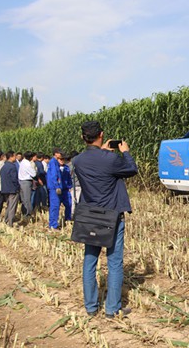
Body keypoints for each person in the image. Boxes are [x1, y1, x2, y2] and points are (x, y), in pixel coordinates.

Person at [73, 121, 138, 318]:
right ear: (101, 134)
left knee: (89, 260)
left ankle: (91, 307)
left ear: (83, 137)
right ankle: (112, 309)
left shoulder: (77, 161)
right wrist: (124, 151)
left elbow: (95, 165)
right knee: (115, 262)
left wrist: (103, 151)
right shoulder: (110, 159)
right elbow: (131, 169)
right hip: (111, 215)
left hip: (89, 215)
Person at [47, 152, 72, 230]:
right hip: (56, 190)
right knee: (55, 207)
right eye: (60, 159)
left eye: (63, 159)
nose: (62, 160)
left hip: (65, 189)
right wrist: (56, 187)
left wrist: (69, 186)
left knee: (69, 204)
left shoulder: (66, 168)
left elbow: (69, 178)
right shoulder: (54, 166)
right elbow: (53, 177)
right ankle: (53, 224)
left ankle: (68, 220)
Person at [0, 151, 20, 227]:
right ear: (11, 157)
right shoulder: (12, 167)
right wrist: (17, 187)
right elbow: (14, 179)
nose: (15, 158)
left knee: (8, 206)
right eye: (14, 156)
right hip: (12, 189)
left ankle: (6, 219)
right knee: (12, 207)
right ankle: (10, 222)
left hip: (5, 189)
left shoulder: (3, 166)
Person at [18, 151, 37, 219]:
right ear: (31, 157)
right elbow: (34, 174)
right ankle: (28, 213)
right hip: (26, 182)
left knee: (23, 199)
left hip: (21, 181)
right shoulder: (28, 164)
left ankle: (24, 212)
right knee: (27, 199)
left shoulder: (22, 162)